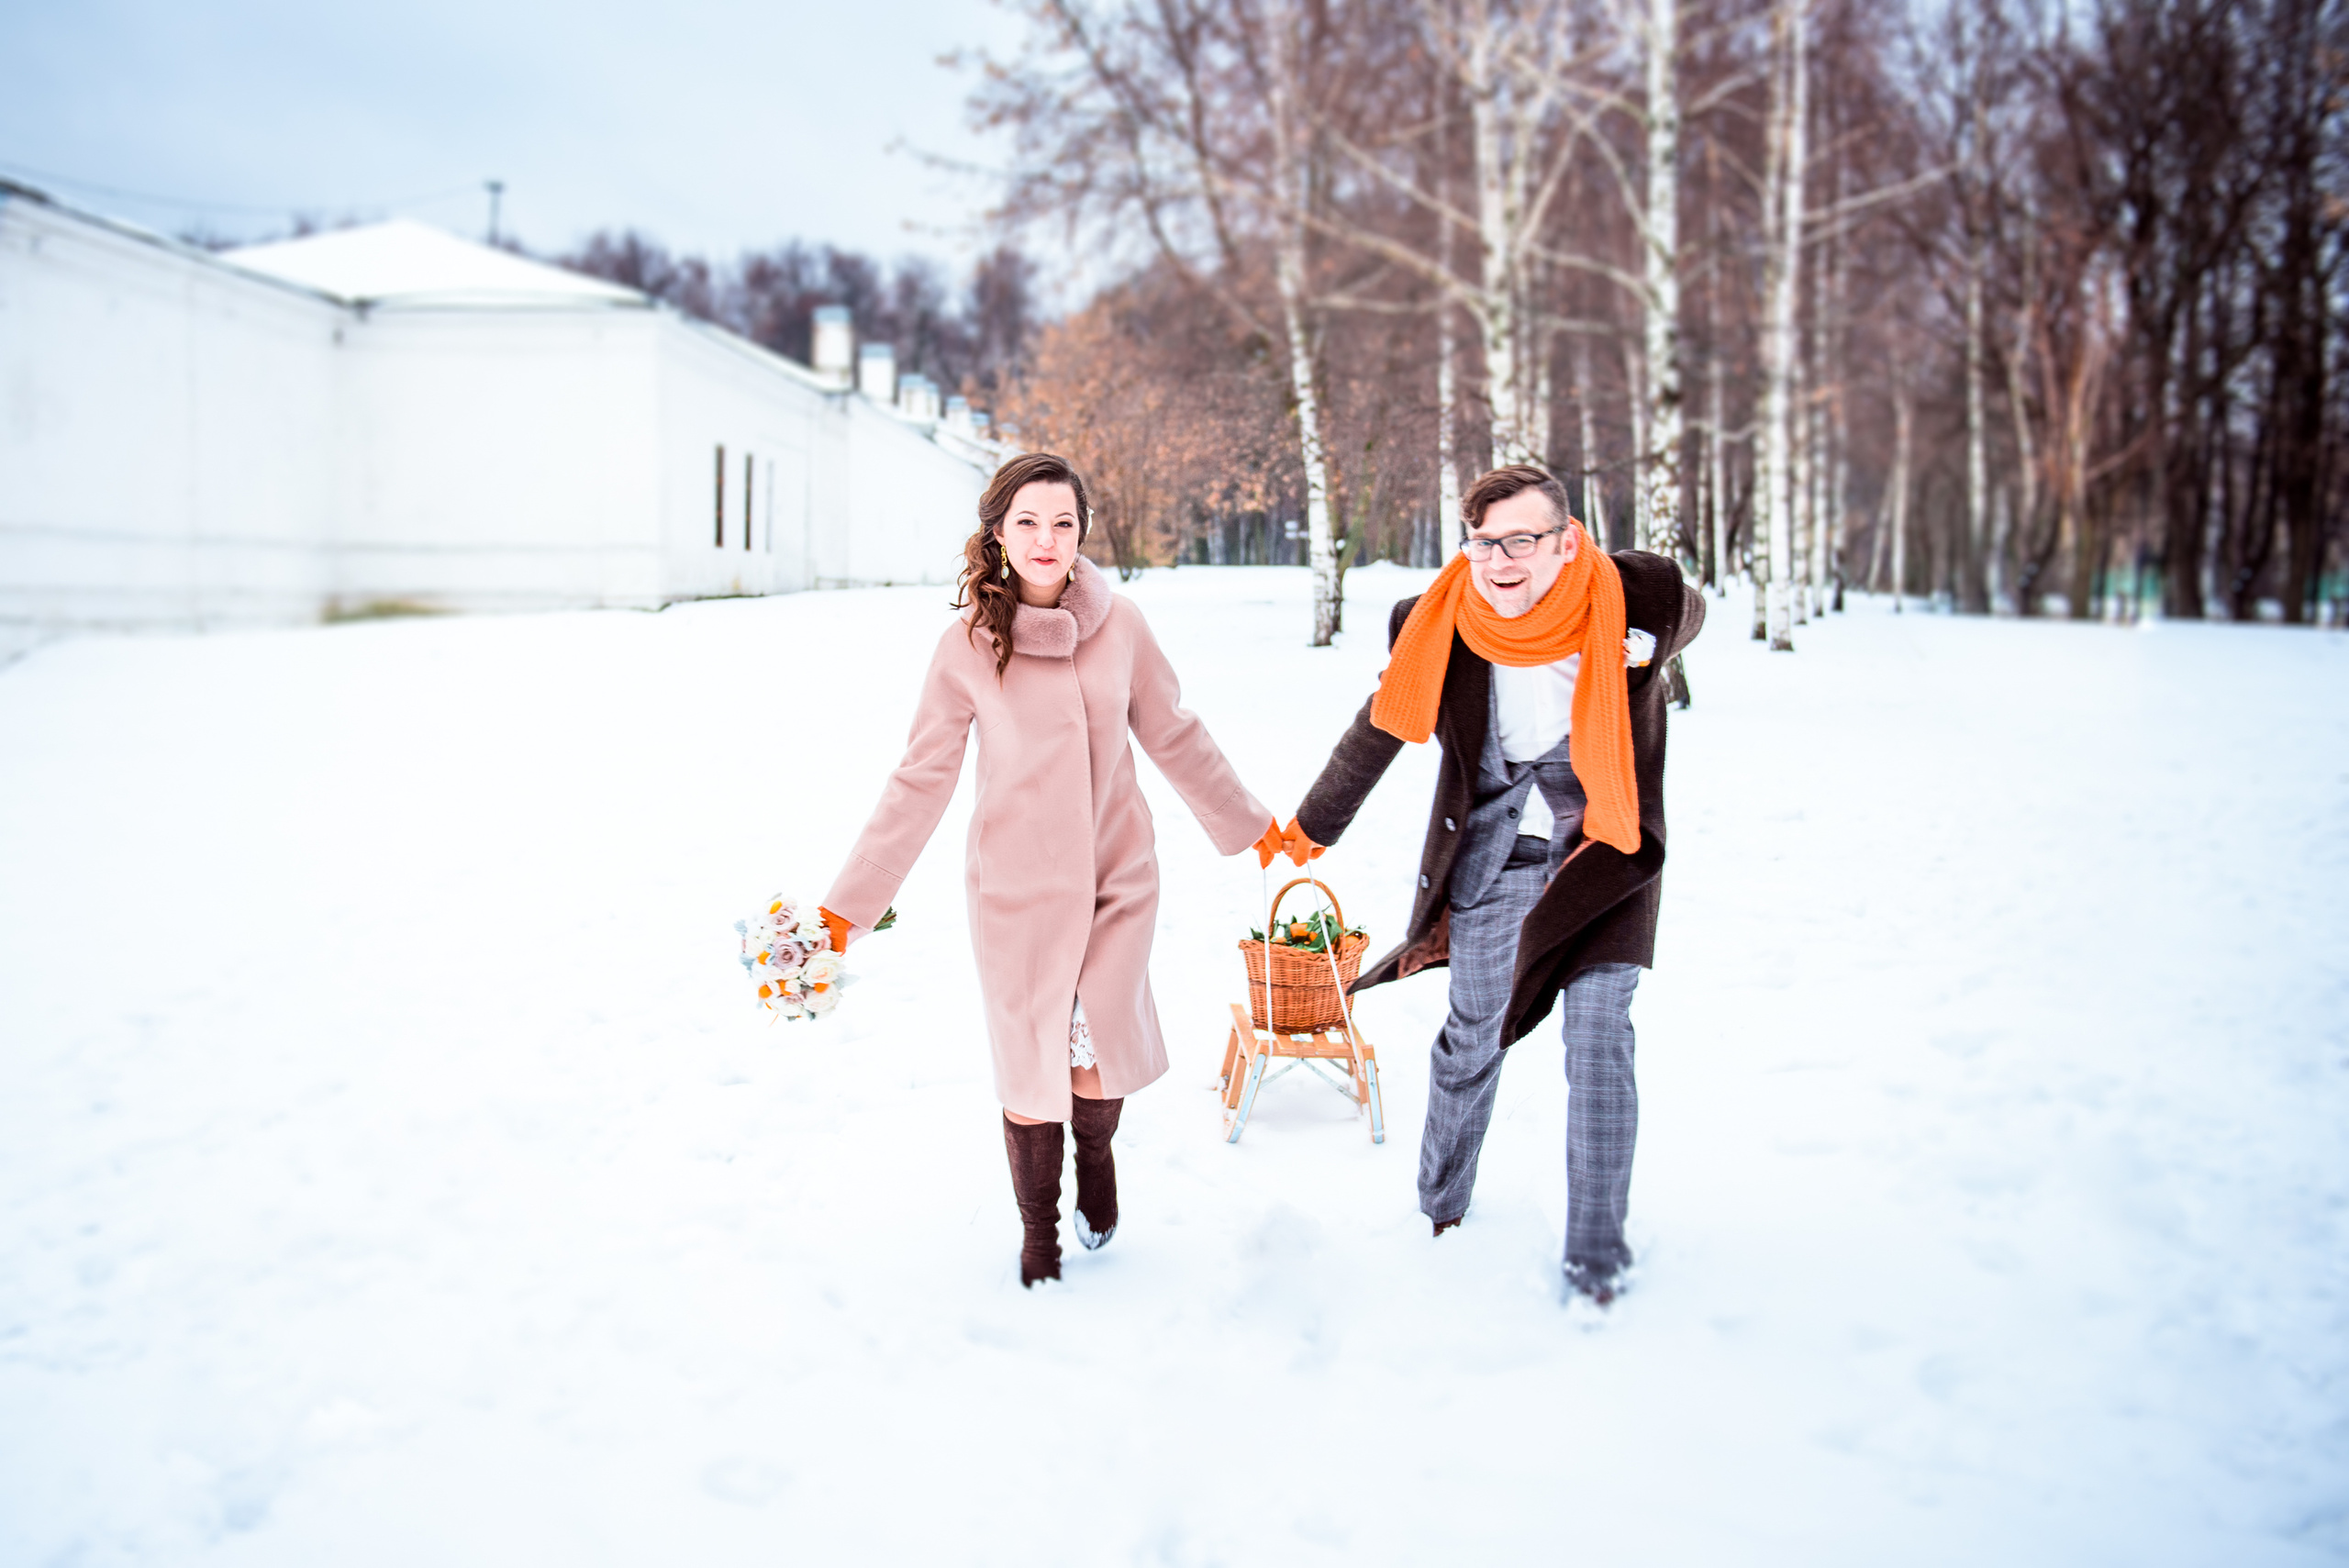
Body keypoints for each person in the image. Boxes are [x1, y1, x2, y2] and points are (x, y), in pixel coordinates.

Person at [819, 451, 1282, 1287]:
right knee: (1034, 1072)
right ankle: (1040, 1235)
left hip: (1117, 877)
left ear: (1082, 532)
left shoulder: (1122, 625)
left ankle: (1096, 1156)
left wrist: (1253, 825)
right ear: (998, 532)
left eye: (1063, 522)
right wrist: (851, 905)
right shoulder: (966, 646)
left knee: (1098, 1063)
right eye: (1027, 521)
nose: (1046, 538)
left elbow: (1173, 731)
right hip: (1015, 893)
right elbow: (921, 777)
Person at [1276, 463, 1705, 1305]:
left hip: (1604, 852)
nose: (1500, 560)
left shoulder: (1636, 599)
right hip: (1494, 856)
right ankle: (1441, 1207)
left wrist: (1648, 646)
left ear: (1566, 542)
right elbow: (1380, 724)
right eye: (1483, 542)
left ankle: (1596, 1256)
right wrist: (1311, 826)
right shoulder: (1440, 622)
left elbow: (1688, 615)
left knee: (1598, 1038)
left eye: (1521, 540)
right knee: (1473, 1036)